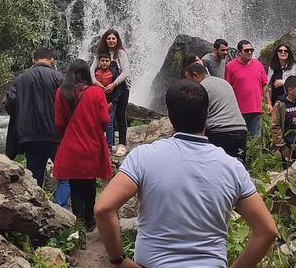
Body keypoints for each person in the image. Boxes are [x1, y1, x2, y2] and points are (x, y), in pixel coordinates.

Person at [94, 80, 277, 268]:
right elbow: (267, 230)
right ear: (207, 114)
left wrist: (119, 261)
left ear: (169, 115)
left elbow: (104, 209)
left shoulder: (144, 157)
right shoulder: (232, 167)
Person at [53, 59, 112, 240]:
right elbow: (104, 120)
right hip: (92, 144)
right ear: (88, 74)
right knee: (89, 184)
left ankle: (78, 226)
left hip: (71, 145)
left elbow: (59, 122)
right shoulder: (97, 92)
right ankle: (90, 220)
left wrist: (68, 134)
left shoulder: (61, 93)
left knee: (75, 186)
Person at [5, 47, 69, 206]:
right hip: (56, 135)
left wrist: (21, 117)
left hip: (30, 136)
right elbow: (69, 103)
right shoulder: (59, 77)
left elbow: (10, 103)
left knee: (34, 177)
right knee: (66, 175)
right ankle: (59, 206)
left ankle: (37, 210)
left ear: (33, 60)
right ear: (52, 60)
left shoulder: (21, 79)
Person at [184, 61, 248, 163]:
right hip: (241, 129)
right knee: (237, 166)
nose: (189, 84)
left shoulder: (201, 87)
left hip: (219, 131)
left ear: (195, 75)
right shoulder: (223, 82)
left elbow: (197, 114)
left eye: (189, 80)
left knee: (216, 167)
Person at [90, 29, 131, 157]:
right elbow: (91, 68)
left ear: (117, 40)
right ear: (105, 40)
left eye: (114, 38)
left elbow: (126, 72)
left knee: (120, 114)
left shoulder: (121, 54)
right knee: (105, 115)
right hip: (103, 88)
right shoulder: (102, 54)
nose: (111, 41)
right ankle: (107, 144)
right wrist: (95, 82)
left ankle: (122, 144)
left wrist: (114, 84)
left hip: (121, 86)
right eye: (109, 38)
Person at [225, 40, 270, 138]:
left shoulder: (258, 64)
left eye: (251, 50)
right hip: (238, 111)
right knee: (239, 140)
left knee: (256, 141)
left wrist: (269, 103)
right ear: (239, 52)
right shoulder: (230, 67)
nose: (249, 52)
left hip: (256, 111)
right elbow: (227, 88)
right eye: (246, 50)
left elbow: (264, 85)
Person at [95, 51, 122, 150]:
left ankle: (109, 146)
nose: (105, 63)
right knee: (98, 123)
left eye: (107, 61)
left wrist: (113, 102)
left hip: (110, 102)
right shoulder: (95, 72)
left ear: (110, 62)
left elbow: (118, 89)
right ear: (99, 61)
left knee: (109, 124)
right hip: (97, 102)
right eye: (102, 61)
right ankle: (99, 144)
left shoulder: (114, 73)